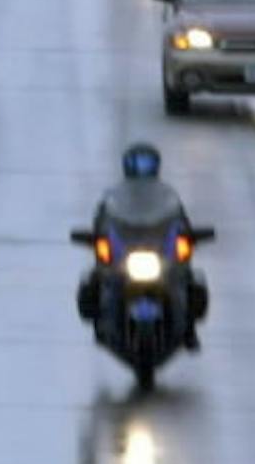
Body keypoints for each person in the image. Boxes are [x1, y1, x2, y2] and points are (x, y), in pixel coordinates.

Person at [81, 141, 208, 351]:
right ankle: (100, 324)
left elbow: (180, 222)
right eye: (138, 163)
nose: (142, 168)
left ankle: (189, 329)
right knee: (98, 279)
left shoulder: (168, 196)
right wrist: (98, 238)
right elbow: (102, 221)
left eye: (146, 163)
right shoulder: (114, 197)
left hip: (159, 254)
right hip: (126, 256)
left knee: (189, 280)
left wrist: (188, 237)